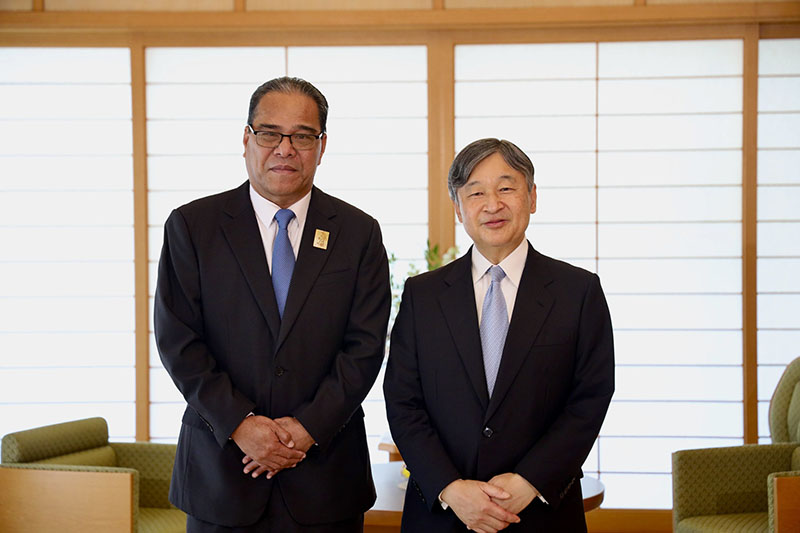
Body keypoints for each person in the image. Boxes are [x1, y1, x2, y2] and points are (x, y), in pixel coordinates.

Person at [154, 76, 391, 532]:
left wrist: (305, 430)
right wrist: (241, 424)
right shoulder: (193, 226)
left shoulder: (358, 233)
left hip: (326, 478)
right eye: (269, 133)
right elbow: (179, 342)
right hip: (222, 475)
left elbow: (364, 348)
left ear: (322, 146)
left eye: (303, 135)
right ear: (246, 139)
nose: (285, 148)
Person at [384, 138, 615, 533]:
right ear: (459, 208)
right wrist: (451, 489)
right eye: (475, 193)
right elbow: (403, 402)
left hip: (541, 513)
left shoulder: (578, 292)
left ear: (533, 196)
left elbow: (589, 399)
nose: (492, 204)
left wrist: (529, 482)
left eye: (506, 188)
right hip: (442, 515)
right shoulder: (422, 295)